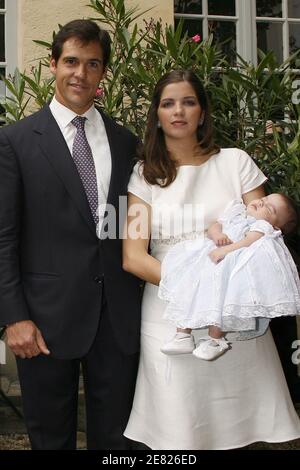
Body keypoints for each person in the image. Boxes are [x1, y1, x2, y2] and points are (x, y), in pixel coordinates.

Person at [122, 69, 300, 450]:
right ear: (156, 113)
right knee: (178, 429)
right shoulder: (143, 175)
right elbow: (134, 257)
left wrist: (219, 291)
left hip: (233, 305)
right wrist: (192, 287)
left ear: (202, 112)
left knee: (240, 425)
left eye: (188, 101)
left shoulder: (237, 162)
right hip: (170, 309)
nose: (178, 111)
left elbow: (264, 238)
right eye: (168, 103)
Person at [0, 19, 141, 450]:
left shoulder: (125, 142)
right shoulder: (15, 141)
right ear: (53, 65)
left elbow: (123, 226)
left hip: (116, 319)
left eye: (92, 63)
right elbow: (4, 237)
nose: (80, 73)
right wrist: (13, 317)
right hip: (43, 322)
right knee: (50, 439)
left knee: (118, 440)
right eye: (72, 61)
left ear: (103, 73)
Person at [159, 194, 300, 360]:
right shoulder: (237, 213)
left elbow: (248, 242)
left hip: (228, 267)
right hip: (207, 260)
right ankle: (182, 335)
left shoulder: (262, 227)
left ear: (275, 227)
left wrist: (225, 250)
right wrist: (217, 234)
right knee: (191, 293)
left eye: (269, 208)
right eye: (265, 198)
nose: (261, 202)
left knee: (221, 302)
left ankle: (215, 340)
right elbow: (215, 225)